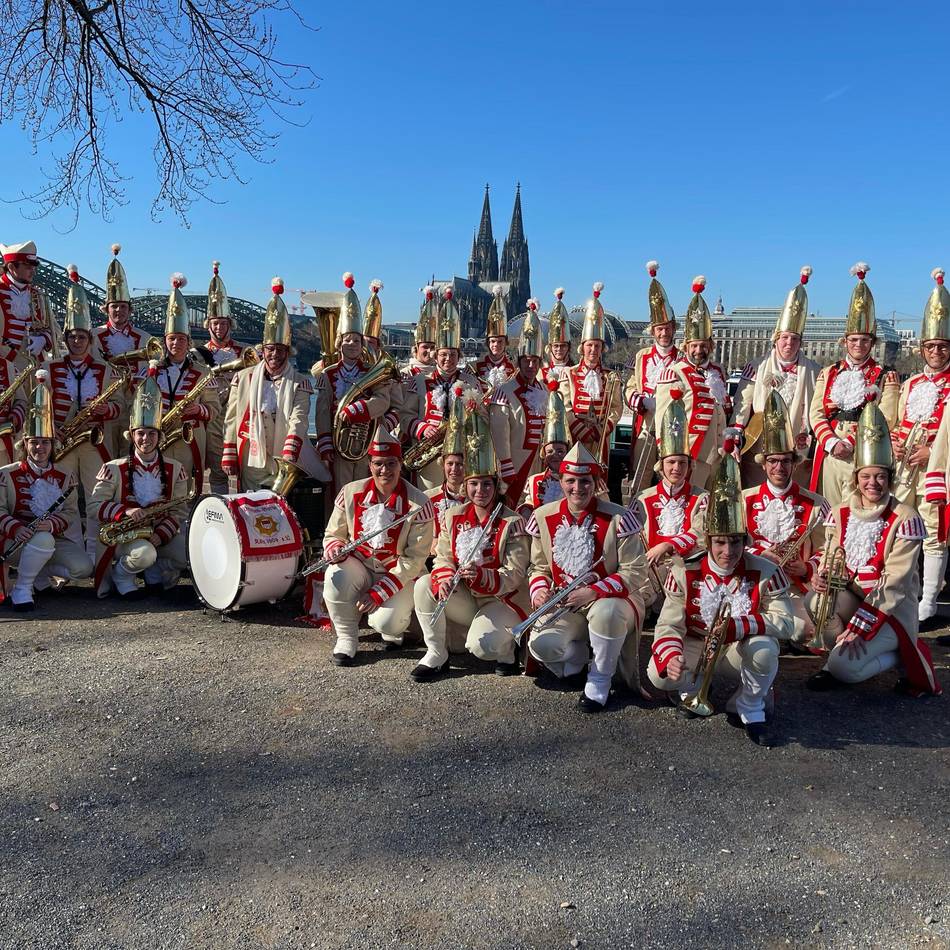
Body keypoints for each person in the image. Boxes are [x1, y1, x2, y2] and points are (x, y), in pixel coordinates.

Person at [647, 451, 796, 746]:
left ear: (745, 541)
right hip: (696, 643)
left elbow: (786, 624)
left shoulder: (767, 571)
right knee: (659, 674)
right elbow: (667, 626)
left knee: (765, 648)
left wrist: (738, 627)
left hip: (736, 649)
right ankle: (694, 686)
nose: (728, 552)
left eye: (735, 542)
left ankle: (750, 706)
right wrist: (672, 655)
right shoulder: (683, 571)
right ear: (708, 541)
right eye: (719, 542)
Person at [806, 401, 941, 697]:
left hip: (890, 611)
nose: (873, 483)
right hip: (855, 599)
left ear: (889, 480)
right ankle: (839, 655)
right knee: (814, 601)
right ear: (856, 479)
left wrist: (859, 627)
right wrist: (818, 572)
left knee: (845, 670)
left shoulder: (906, 517)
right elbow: (826, 552)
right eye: (866, 476)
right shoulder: (841, 512)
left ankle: (903, 655)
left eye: (881, 476)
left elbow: (894, 585)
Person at [524, 443, 647, 712]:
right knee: (542, 645)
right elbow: (539, 567)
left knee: (608, 613)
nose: (577, 488)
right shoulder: (543, 517)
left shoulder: (619, 517)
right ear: (561, 480)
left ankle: (600, 679)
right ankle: (583, 658)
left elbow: (635, 571)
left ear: (596, 482)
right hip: (564, 602)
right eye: (571, 481)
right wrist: (539, 590)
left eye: (585, 481)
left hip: (611, 601)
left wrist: (594, 591)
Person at [412, 406, 529, 680]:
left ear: (496, 485)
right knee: (423, 585)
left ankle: (506, 650)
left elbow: (514, 575)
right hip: (466, 595)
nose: (480, 491)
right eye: (474, 484)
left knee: (481, 645)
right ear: (466, 485)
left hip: (502, 598)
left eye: (487, 484)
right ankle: (436, 653)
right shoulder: (453, 516)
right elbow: (442, 556)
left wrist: (481, 575)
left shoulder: (512, 521)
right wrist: (444, 577)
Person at [321, 425, 435, 666]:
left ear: (400, 464)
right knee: (335, 575)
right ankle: (346, 637)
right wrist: (335, 549)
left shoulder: (419, 503)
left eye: (391, 463)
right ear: (370, 465)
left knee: (388, 623)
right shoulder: (349, 492)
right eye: (379, 464)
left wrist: (379, 592)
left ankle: (393, 632)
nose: (385, 470)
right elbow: (333, 533)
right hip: (360, 566)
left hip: (398, 574)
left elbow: (415, 559)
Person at [91, 360, 190, 599]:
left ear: (159, 437)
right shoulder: (113, 468)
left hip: (158, 533)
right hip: (125, 536)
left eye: (151, 434)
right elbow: (95, 506)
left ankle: (153, 569)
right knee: (145, 553)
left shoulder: (176, 469)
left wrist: (162, 535)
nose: (146, 439)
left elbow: (178, 512)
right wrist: (124, 512)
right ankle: (123, 575)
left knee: (188, 556)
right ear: (132, 436)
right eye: (141, 434)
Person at [223, 278, 327, 492]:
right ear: (263, 350)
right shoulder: (243, 377)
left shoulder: (300, 382)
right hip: (252, 456)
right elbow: (231, 417)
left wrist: (291, 448)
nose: (275, 355)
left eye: (280, 350)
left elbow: (299, 417)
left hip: (285, 456)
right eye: (270, 349)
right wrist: (229, 452)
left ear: (288, 353)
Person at [742, 390, 828, 647]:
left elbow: (826, 548)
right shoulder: (744, 498)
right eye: (773, 462)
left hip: (792, 586)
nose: (779, 468)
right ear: (764, 464)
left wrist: (807, 568)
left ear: (794, 463)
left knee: (802, 633)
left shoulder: (815, 502)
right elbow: (729, 544)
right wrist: (759, 553)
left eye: (785, 462)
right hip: (753, 582)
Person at [809, 263, 899, 506]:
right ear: (845, 341)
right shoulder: (829, 373)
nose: (858, 345)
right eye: (854, 340)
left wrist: (849, 442)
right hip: (830, 450)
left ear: (872, 343)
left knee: (858, 512)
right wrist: (831, 442)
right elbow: (816, 413)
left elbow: (887, 418)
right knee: (828, 511)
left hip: (862, 453)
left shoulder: (884, 375)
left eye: (864, 340)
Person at [47, 266, 122, 557]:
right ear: (65, 339)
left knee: (95, 498)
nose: (77, 341)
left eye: (82, 337)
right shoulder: (50, 369)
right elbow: (42, 408)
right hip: (63, 442)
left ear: (90, 340)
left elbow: (121, 409)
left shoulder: (105, 370)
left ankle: (97, 556)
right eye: (72, 337)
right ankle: (67, 557)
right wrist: (53, 428)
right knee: (62, 501)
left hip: (94, 443)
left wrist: (106, 409)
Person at [0, 370, 91, 610]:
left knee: (83, 568)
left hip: (49, 538)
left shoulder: (64, 475)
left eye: (45, 442)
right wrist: (15, 527)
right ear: (25, 443)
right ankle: (22, 587)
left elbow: (71, 512)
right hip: (13, 542)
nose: (40, 447)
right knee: (41, 539)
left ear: (52, 445)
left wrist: (51, 524)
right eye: (34, 442)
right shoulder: (7, 473)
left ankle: (38, 573)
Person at [730, 266, 820, 489]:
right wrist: (736, 433)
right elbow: (743, 403)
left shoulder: (815, 371)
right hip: (760, 443)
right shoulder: (756, 366)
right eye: (785, 338)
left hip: (796, 445)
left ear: (801, 342)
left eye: (794, 339)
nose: (789, 343)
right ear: (776, 339)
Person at [894, 269, 950, 621]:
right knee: (903, 526)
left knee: (933, 532)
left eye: (942, 346)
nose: (936, 352)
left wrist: (934, 453)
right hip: (906, 467)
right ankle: (905, 593)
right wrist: (898, 445)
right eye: (930, 346)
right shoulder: (911, 382)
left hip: (936, 468)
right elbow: (901, 421)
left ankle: (929, 600)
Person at [313, 273, 395, 490]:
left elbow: (382, 401)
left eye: (356, 340)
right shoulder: (328, 374)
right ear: (340, 343)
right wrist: (325, 442)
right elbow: (321, 410)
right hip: (339, 446)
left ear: (362, 345)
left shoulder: (372, 371)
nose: (352, 344)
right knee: (340, 494)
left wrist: (356, 410)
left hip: (368, 445)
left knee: (367, 492)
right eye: (347, 340)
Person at [633, 389, 708, 613]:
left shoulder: (701, 497)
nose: (676, 468)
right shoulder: (643, 498)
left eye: (682, 463)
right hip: (649, 569)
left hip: (684, 567)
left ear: (690, 465)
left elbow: (700, 533)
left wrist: (668, 545)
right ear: (661, 465)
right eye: (672, 462)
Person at [145, 274, 220, 492]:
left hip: (189, 440)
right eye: (171, 339)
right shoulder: (151, 370)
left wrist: (198, 408)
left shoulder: (203, 372)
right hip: (157, 438)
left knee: (184, 490)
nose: (176, 343)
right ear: (165, 342)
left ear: (188, 342)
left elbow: (214, 410)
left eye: (181, 339)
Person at [400, 287, 481, 489]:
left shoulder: (471, 382)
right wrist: (423, 428)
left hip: (461, 455)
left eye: (453, 355)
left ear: (459, 356)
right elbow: (405, 416)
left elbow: (482, 419)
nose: (448, 359)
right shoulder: (418, 381)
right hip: (429, 457)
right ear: (436, 355)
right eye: (444, 354)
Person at [652, 275, 727, 489]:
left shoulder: (718, 373)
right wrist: (669, 455)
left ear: (710, 346)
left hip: (718, 455)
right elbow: (663, 418)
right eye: (694, 345)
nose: (698, 350)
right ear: (686, 346)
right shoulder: (674, 373)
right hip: (690, 456)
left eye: (703, 345)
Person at [92, 244, 152, 456]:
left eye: (123, 306)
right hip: (106, 406)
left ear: (129, 309)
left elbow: (150, 370)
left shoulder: (144, 338)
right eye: (114, 306)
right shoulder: (93, 336)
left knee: (131, 458)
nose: (118, 310)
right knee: (105, 456)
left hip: (135, 405)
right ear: (106, 309)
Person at [192, 262, 247, 494]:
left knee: (241, 470)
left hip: (237, 417)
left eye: (223, 323)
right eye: (215, 323)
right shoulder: (197, 354)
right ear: (208, 325)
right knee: (214, 469)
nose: (219, 328)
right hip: (211, 418)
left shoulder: (245, 351)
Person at [624, 261, 679, 486]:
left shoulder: (683, 357)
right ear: (653, 331)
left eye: (667, 328)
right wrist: (640, 400)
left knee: (671, 480)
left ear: (673, 329)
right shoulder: (643, 356)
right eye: (659, 329)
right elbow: (630, 386)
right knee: (641, 478)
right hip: (646, 427)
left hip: (673, 429)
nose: (663, 333)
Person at [490, 298, 548, 506]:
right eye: (526, 361)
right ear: (519, 362)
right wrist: (505, 465)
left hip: (539, 465)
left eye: (535, 361)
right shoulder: (504, 392)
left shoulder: (544, 390)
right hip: (514, 465)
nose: (531, 365)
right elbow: (499, 433)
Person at [560, 283, 622, 468]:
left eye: (597, 345)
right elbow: (566, 406)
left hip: (600, 439)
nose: (593, 350)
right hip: (575, 438)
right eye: (590, 345)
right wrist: (580, 430)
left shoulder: (611, 377)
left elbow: (616, 408)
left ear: (602, 348)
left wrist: (603, 429)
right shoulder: (569, 373)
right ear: (582, 347)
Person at [518, 385, 570, 519]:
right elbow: (529, 502)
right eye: (550, 451)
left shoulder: (575, 480)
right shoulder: (534, 480)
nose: (555, 456)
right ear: (543, 454)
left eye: (560, 451)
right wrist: (526, 510)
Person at [0, 240, 53, 369]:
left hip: (35, 368)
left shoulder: (39, 296)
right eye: (28, 267)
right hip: (4, 368)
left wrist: (45, 339)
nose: (33, 271)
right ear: (12, 267)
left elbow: (54, 330)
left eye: (34, 267)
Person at [424, 397, 467, 550]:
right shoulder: (428, 498)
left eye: (460, 464)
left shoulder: (475, 498)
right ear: (443, 466)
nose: (454, 469)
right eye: (450, 464)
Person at [474, 285, 515, 389]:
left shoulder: (514, 368)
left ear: (506, 343)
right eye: (492, 341)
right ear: (488, 343)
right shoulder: (473, 367)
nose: (496, 344)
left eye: (500, 341)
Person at [540, 288, 573, 386]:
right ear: (549, 348)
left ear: (568, 348)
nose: (559, 349)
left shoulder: (575, 372)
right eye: (556, 346)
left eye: (563, 346)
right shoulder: (540, 374)